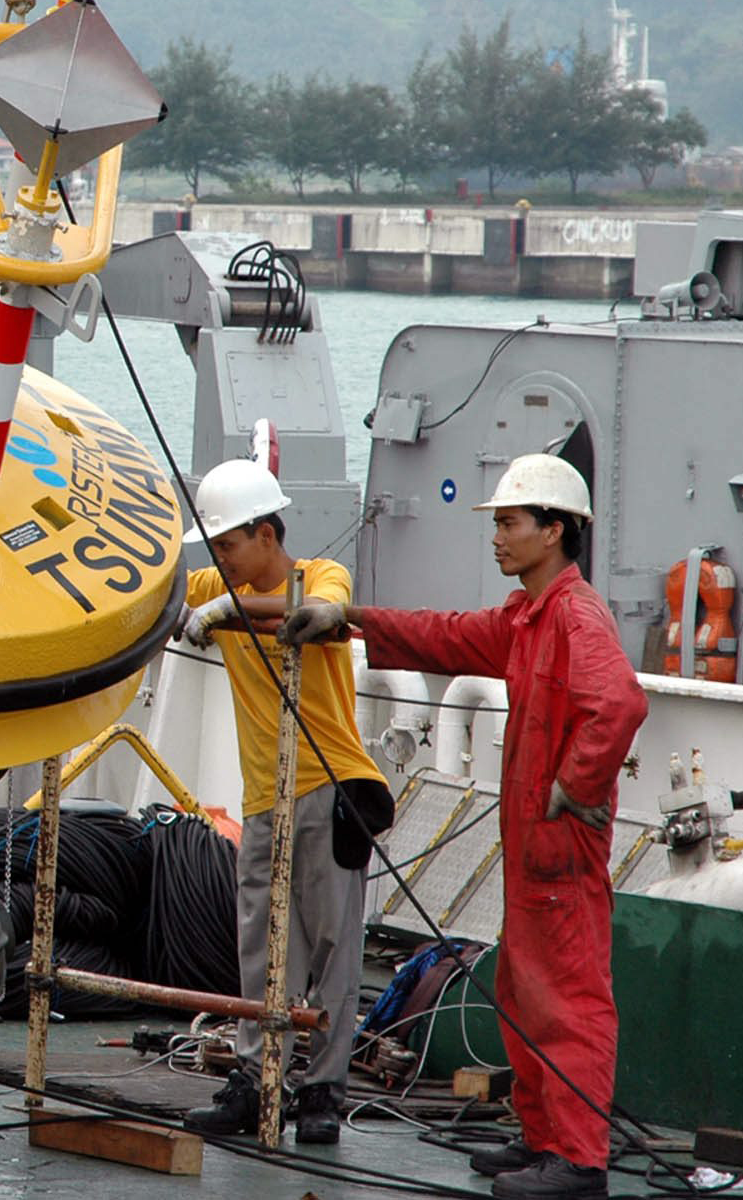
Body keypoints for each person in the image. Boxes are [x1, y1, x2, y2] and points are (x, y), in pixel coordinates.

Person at [282, 454, 642, 1200]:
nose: (498, 538)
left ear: (554, 530)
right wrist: (348, 620)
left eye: (510, 524)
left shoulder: (573, 616)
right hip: (536, 852)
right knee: (526, 988)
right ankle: (544, 1139)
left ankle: (576, 1162)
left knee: (567, 1000)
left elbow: (620, 704)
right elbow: (445, 635)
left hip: (559, 851)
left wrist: (571, 789)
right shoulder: (528, 617)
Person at [174, 459, 391, 1147]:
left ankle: (323, 1089)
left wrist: (220, 612)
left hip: (331, 787)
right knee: (260, 949)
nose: (221, 561)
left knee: (332, 948)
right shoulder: (221, 582)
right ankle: (257, 1076)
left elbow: (312, 612)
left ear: (267, 535)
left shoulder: (321, 577)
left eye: (230, 545)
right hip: (265, 797)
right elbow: (158, 591)